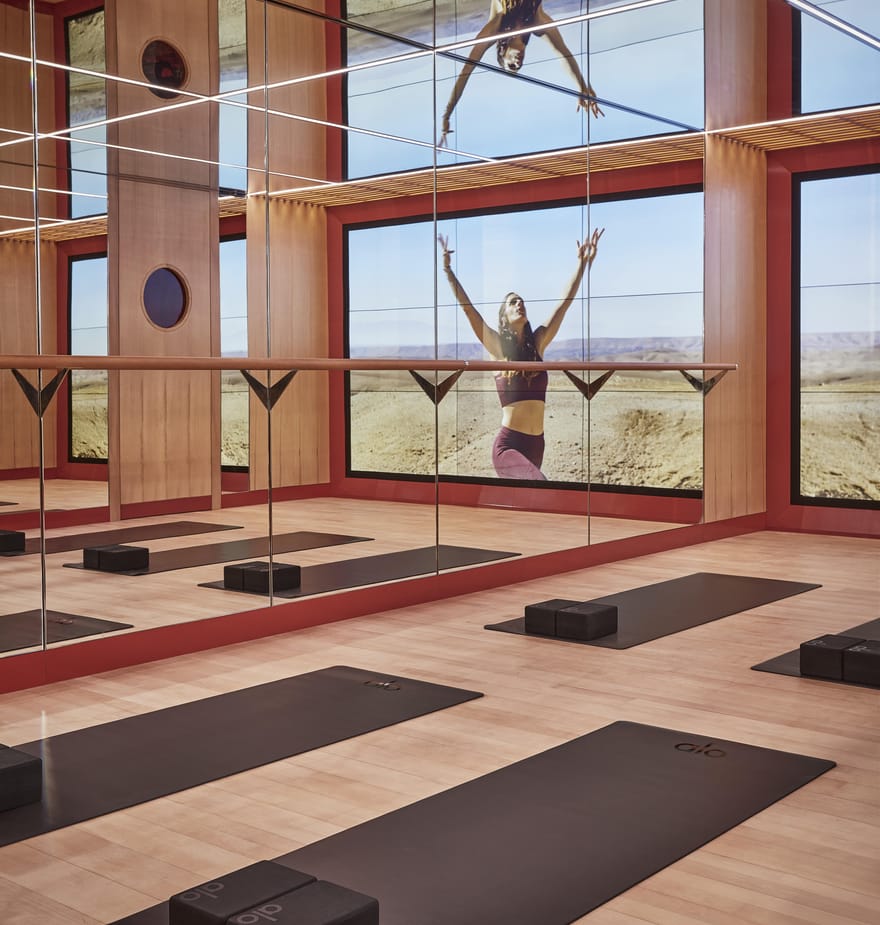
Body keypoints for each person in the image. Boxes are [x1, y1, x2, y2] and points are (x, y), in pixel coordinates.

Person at [438, 227, 603, 480]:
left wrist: (582, 265)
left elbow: (564, 304)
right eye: (512, 302)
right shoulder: (498, 348)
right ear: (503, 316)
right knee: (541, 487)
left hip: (537, 444)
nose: (519, 304)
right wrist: (448, 271)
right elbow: (469, 310)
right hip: (509, 445)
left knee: (528, 509)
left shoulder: (537, 343)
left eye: (521, 301)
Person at [439, 0, 604, 147]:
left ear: (502, 52)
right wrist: (582, 87)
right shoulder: (536, 21)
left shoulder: (497, 24)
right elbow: (563, 53)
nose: (517, 62)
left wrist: (447, 114)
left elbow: (466, 69)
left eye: (511, 65)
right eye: (519, 65)